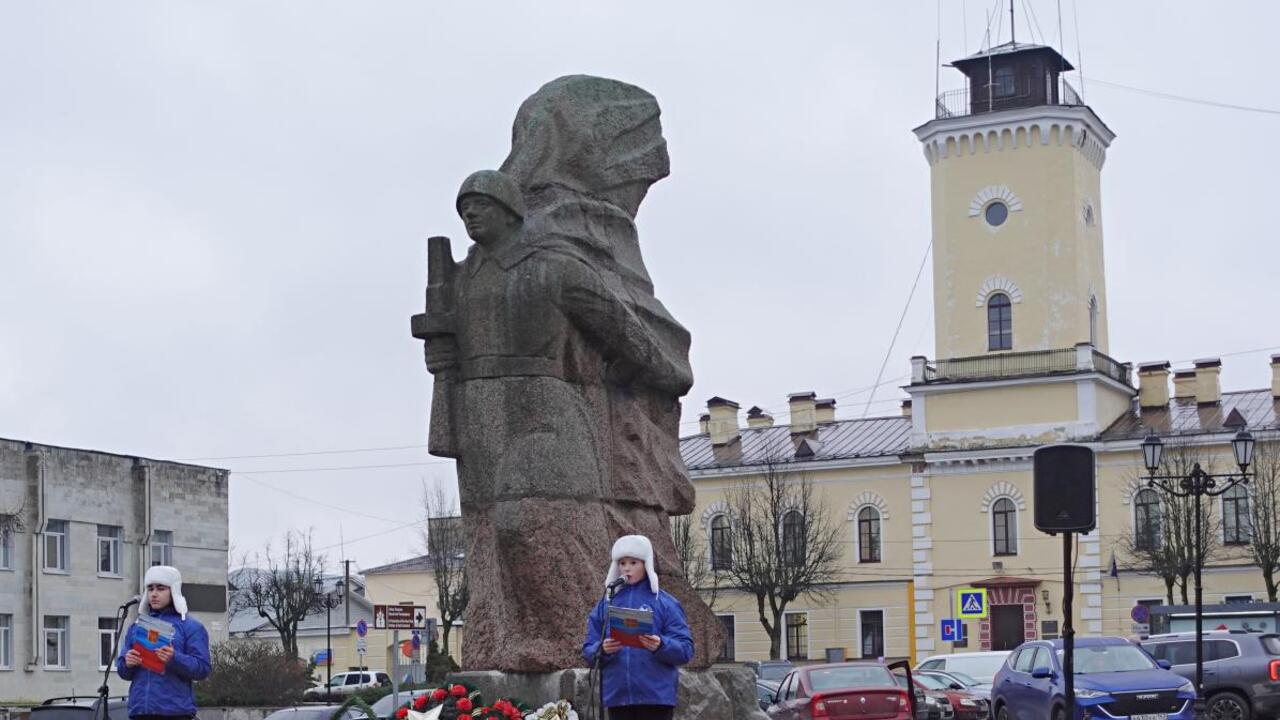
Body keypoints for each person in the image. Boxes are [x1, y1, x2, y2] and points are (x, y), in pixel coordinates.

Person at [583, 535, 694, 720]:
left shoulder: (665, 602)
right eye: (622, 562)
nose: (626, 568)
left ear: (646, 564)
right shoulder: (606, 604)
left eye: (633, 562)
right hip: (618, 698)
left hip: (655, 699)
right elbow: (588, 649)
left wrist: (661, 645)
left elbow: (686, 649)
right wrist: (602, 649)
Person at [117, 565, 211, 719]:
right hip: (140, 712)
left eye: (160, 588)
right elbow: (122, 671)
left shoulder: (191, 627)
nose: (154, 594)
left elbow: (203, 669)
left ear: (173, 590)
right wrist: (127, 663)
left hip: (175, 714)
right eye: (150, 588)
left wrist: (174, 658)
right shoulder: (136, 627)